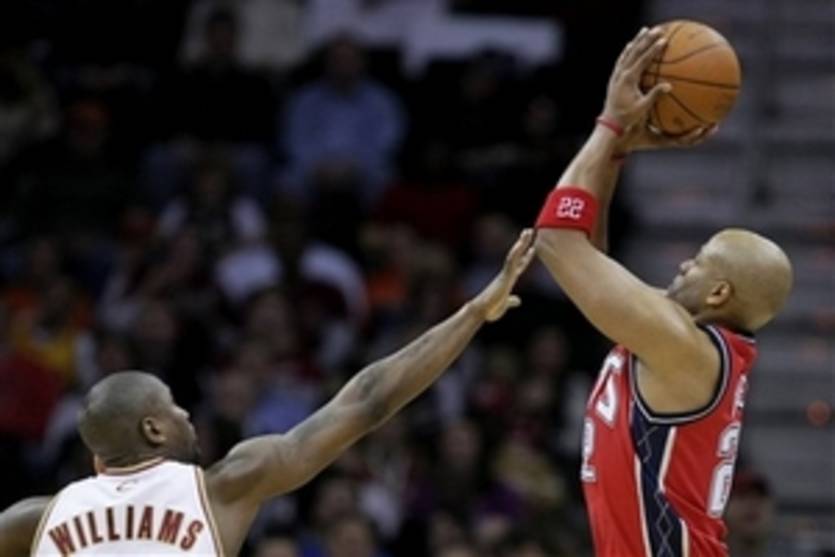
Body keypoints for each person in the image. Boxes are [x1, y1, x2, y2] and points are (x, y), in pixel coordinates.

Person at [0, 231, 535, 556]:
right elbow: (367, 401)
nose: (187, 414)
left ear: (99, 459)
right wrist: (471, 315)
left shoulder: (32, 520)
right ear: (153, 428)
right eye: (174, 407)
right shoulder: (223, 488)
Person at [532, 28, 793, 556]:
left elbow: (557, 241)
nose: (683, 263)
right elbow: (592, 259)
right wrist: (616, 153)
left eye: (697, 261)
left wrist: (610, 122)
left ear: (718, 294)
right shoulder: (683, 344)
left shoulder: (681, 345)